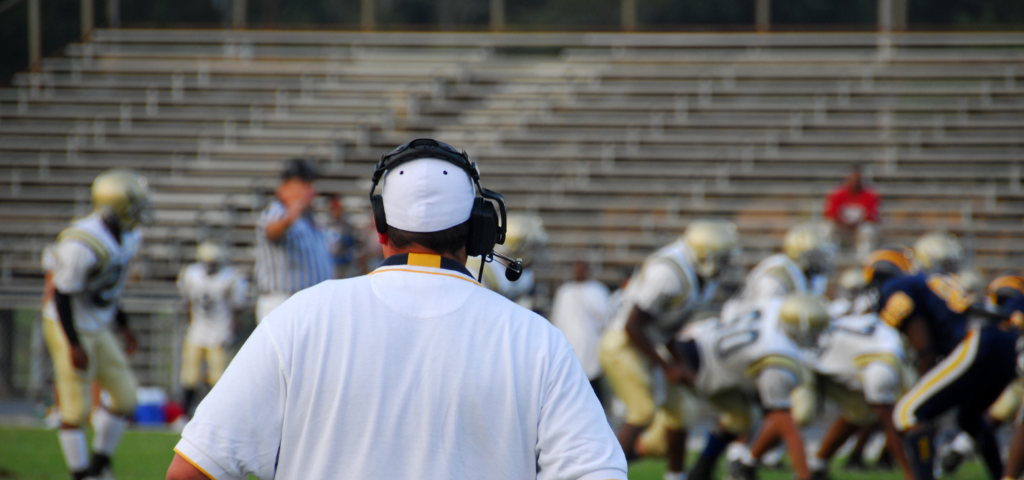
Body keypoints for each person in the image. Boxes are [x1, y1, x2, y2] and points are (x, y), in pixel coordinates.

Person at [166, 138, 626, 480]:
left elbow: (192, 471)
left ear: (380, 226)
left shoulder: (298, 318)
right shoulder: (536, 339)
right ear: (481, 231)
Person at [599, 219, 739, 480]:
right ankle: (600, 474)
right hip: (623, 343)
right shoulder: (669, 272)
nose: (725, 264)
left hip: (645, 343)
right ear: (704, 255)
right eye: (722, 257)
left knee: (683, 411)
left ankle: (676, 476)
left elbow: (666, 328)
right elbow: (633, 325)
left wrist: (680, 363)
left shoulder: (697, 277)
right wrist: (667, 367)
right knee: (642, 411)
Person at [876, 237, 1019, 480]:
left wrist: (925, 381)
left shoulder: (898, 286)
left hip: (976, 340)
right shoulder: (940, 281)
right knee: (970, 416)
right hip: (1006, 342)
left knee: (908, 413)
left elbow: (925, 347)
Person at [41, 169, 148, 479]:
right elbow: (61, 295)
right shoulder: (81, 243)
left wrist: (124, 326)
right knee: (75, 409)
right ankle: (81, 474)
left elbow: (107, 289)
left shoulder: (129, 236)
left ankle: (98, 465)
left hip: (98, 323)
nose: (141, 212)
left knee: (126, 397)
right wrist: (73, 344)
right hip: (67, 324)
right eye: (136, 205)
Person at [676, 294, 817, 480]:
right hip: (695, 363)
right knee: (659, 440)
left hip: (701, 337)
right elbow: (788, 428)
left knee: (743, 419)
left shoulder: (776, 304)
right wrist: (805, 475)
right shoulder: (777, 354)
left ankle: (702, 470)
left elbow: (732, 307)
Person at [175, 240, 248, 420]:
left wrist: (231, 332)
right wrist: (190, 322)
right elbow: (188, 302)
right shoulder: (192, 274)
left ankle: (218, 416)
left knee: (219, 378)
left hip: (219, 334)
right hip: (197, 331)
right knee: (189, 375)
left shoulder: (230, 278)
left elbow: (237, 309)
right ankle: (184, 414)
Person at [253, 158, 332, 323]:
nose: (311, 191)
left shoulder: (308, 218)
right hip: (282, 302)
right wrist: (289, 218)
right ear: (285, 187)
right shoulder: (278, 212)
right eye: (304, 185)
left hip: (307, 303)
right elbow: (271, 231)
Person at [721, 221, 835, 321]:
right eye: (819, 255)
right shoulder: (778, 275)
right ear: (801, 252)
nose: (824, 260)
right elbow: (765, 315)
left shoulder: (814, 277)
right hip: (744, 325)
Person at [550, 260, 612, 404]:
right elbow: (558, 319)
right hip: (571, 340)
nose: (579, 272)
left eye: (582, 269)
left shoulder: (598, 290)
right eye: (576, 269)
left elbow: (605, 319)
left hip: (591, 343)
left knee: (593, 382)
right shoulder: (564, 291)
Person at [823, 165, 880, 260]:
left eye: (857, 180)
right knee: (826, 229)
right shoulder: (838, 194)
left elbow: (873, 216)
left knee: (868, 230)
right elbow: (830, 213)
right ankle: (830, 256)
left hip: (860, 227)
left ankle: (863, 259)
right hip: (841, 226)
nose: (855, 182)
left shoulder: (870, 195)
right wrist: (843, 222)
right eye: (852, 179)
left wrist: (857, 223)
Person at [323, 193, 360, 279]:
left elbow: (355, 244)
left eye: (338, 209)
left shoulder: (348, 227)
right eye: (333, 209)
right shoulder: (325, 226)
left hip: (345, 263)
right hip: (330, 262)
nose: (336, 211)